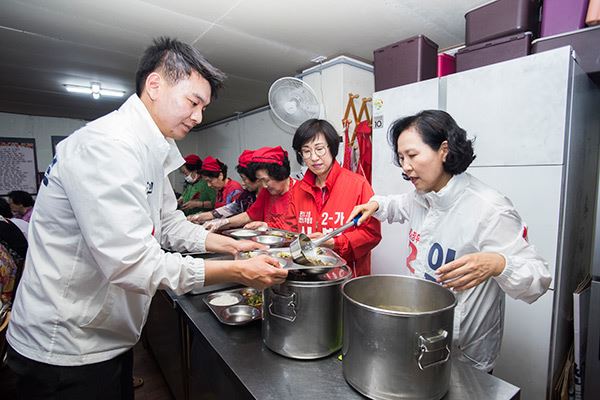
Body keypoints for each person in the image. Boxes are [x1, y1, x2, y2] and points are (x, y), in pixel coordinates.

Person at [5, 37, 287, 400]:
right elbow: (133, 263)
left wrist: (228, 245)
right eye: (193, 101)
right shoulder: (107, 146)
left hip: (103, 337)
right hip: (66, 347)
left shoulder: (153, 147)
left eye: (203, 106)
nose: (199, 116)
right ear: (154, 85)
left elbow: (168, 223)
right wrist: (236, 270)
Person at [348, 110, 552, 372]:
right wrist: (374, 204)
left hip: (466, 355)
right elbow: (396, 204)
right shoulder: (422, 195)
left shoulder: (490, 208)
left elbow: (538, 279)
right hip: (420, 337)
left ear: (443, 150)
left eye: (412, 155)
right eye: (401, 158)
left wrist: (498, 264)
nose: (406, 167)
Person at [284, 119, 381, 277]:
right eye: (306, 151)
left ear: (332, 147)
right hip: (310, 277)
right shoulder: (297, 190)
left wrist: (335, 243)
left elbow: (371, 234)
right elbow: (291, 231)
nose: (314, 157)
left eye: (320, 149)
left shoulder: (358, 185)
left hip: (347, 278)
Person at [206, 146, 295, 231]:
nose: (264, 186)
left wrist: (267, 226)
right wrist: (224, 222)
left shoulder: (299, 192)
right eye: (260, 180)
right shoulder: (266, 191)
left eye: (266, 180)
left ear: (281, 175)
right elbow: (250, 215)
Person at [188, 149, 260, 224]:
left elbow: (243, 216)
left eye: (244, 179)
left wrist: (220, 222)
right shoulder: (247, 194)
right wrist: (200, 216)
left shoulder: (235, 189)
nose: (242, 184)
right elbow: (231, 208)